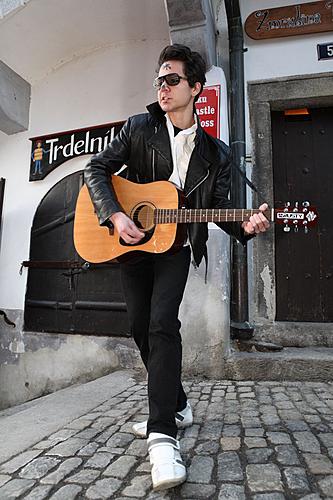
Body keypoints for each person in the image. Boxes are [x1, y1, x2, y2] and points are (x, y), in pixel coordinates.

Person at [84, 44, 269, 491]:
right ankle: (176, 402)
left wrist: (250, 226)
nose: (162, 88)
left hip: (175, 247)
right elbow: (96, 169)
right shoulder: (139, 128)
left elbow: (224, 213)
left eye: (171, 80)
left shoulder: (217, 154)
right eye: (159, 81)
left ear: (195, 88)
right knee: (139, 327)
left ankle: (162, 435)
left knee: (163, 324)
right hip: (131, 243)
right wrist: (116, 214)